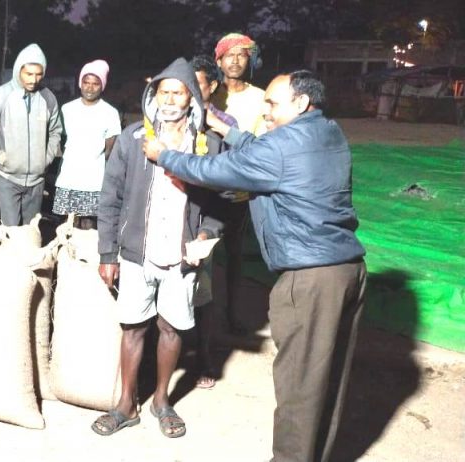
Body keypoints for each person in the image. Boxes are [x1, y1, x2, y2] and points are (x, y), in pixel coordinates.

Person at [144, 70, 367, 462]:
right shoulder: (328, 132)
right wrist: (225, 130)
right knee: (326, 382)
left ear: (301, 103)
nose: (266, 111)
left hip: (311, 279)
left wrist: (165, 156)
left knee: (299, 386)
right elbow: (265, 150)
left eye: (273, 104)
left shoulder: (281, 147)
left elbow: (213, 172)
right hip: (348, 271)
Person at [92, 58, 224, 439]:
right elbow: (110, 198)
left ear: (191, 98)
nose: (169, 99)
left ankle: (162, 400)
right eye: (163, 92)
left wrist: (206, 234)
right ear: (153, 96)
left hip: (182, 256)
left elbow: (219, 202)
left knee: (171, 327)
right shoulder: (133, 139)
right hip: (138, 252)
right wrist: (107, 254)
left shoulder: (208, 146)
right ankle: (126, 404)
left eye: (177, 92)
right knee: (133, 327)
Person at [188, 54, 240, 390]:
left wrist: (211, 226)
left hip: (204, 219)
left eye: (198, 84)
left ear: (213, 86)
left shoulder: (224, 123)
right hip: (172, 215)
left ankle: (204, 357)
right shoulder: (171, 116)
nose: (190, 90)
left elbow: (229, 179)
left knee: (202, 293)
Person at [212, 33, 267, 336]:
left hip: (239, 187)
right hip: (206, 182)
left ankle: (231, 314)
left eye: (241, 55)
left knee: (234, 253)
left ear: (249, 60)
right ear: (218, 61)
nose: (235, 61)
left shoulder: (260, 98)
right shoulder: (208, 91)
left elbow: (261, 144)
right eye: (228, 55)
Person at [0, 43, 63, 226]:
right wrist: (1, 157)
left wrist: (46, 158)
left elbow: (56, 131)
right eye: (28, 74)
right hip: (7, 178)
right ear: (18, 69)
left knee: (30, 233)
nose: (34, 80)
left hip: (37, 181)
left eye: (38, 74)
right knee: (11, 232)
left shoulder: (48, 98)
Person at [51, 59, 121, 229]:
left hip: (93, 181)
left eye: (95, 84)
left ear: (102, 86)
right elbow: (63, 141)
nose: (90, 88)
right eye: (86, 82)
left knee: (88, 227)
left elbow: (109, 150)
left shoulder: (110, 112)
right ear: (80, 83)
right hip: (69, 178)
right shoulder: (67, 109)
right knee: (67, 227)